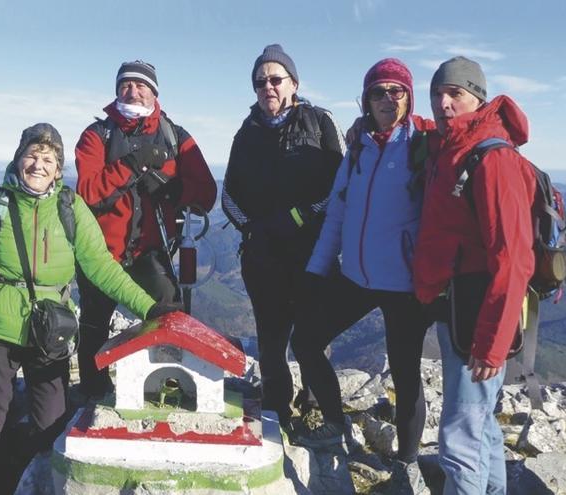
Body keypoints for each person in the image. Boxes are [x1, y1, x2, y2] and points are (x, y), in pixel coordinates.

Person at [0, 123, 176, 493]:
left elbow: (103, 267)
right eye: (32, 155)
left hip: (50, 332)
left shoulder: (70, 208)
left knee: (51, 422)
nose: (38, 164)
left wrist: (150, 308)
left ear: (59, 170)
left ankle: (32, 476)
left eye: (48, 159)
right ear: (18, 160)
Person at [291, 58, 435, 493]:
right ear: (366, 100)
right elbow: (337, 212)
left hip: (405, 284)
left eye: (397, 91)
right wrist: (318, 268)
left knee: (406, 374)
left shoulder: (424, 144)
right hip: (354, 275)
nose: (388, 99)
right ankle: (335, 425)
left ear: (409, 97)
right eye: (379, 92)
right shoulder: (358, 147)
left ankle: (406, 463)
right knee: (306, 340)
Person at [413, 56, 536, 494]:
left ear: (477, 98)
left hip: (479, 320)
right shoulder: (453, 147)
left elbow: (515, 259)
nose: (443, 103)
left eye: (455, 94)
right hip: (459, 310)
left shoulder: (492, 158)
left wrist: (491, 345)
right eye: (437, 94)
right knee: (481, 429)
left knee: (459, 440)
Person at [74, 60, 217, 399]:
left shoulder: (175, 136)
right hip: (100, 254)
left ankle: (163, 384)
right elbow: (88, 193)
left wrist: (174, 189)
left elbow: (206, 193)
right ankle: (93, 391)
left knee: (168, 314)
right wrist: (131, 165)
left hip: (150, 252)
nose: (133, 91)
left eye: (141, 86)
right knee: (94, 324)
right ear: (116, 91)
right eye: (126, 85)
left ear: (154, 92)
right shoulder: (97, 135)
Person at [222, 44, 346, 426]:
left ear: (294, 83)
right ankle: (277, 403)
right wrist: (253, 229)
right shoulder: (247, 132)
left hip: (312, 251)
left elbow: (339, 186)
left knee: (310, 332)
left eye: (276, 79)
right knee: (271, 336)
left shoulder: (320, 122)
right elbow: (228, 193)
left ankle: (315, 401)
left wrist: (298, 217)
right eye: (260, 82)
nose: (267, 87)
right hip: (263, 255)